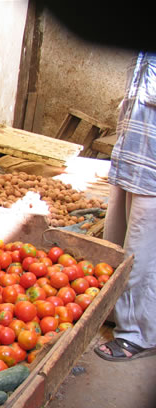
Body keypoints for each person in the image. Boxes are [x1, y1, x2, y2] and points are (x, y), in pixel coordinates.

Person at [94, 51, 156, 361]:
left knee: (145, 253)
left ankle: (140, 333)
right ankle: (115, 309)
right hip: (133, 154)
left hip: (153, 164)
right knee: (117, 242)